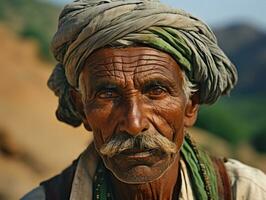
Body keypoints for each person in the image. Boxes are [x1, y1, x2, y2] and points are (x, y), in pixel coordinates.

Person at [22, 0, 266, 199]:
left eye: (156, 91)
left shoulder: (247, 192)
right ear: (82, 108)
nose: (134, 123)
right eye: (107, 94)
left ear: (191, 104)